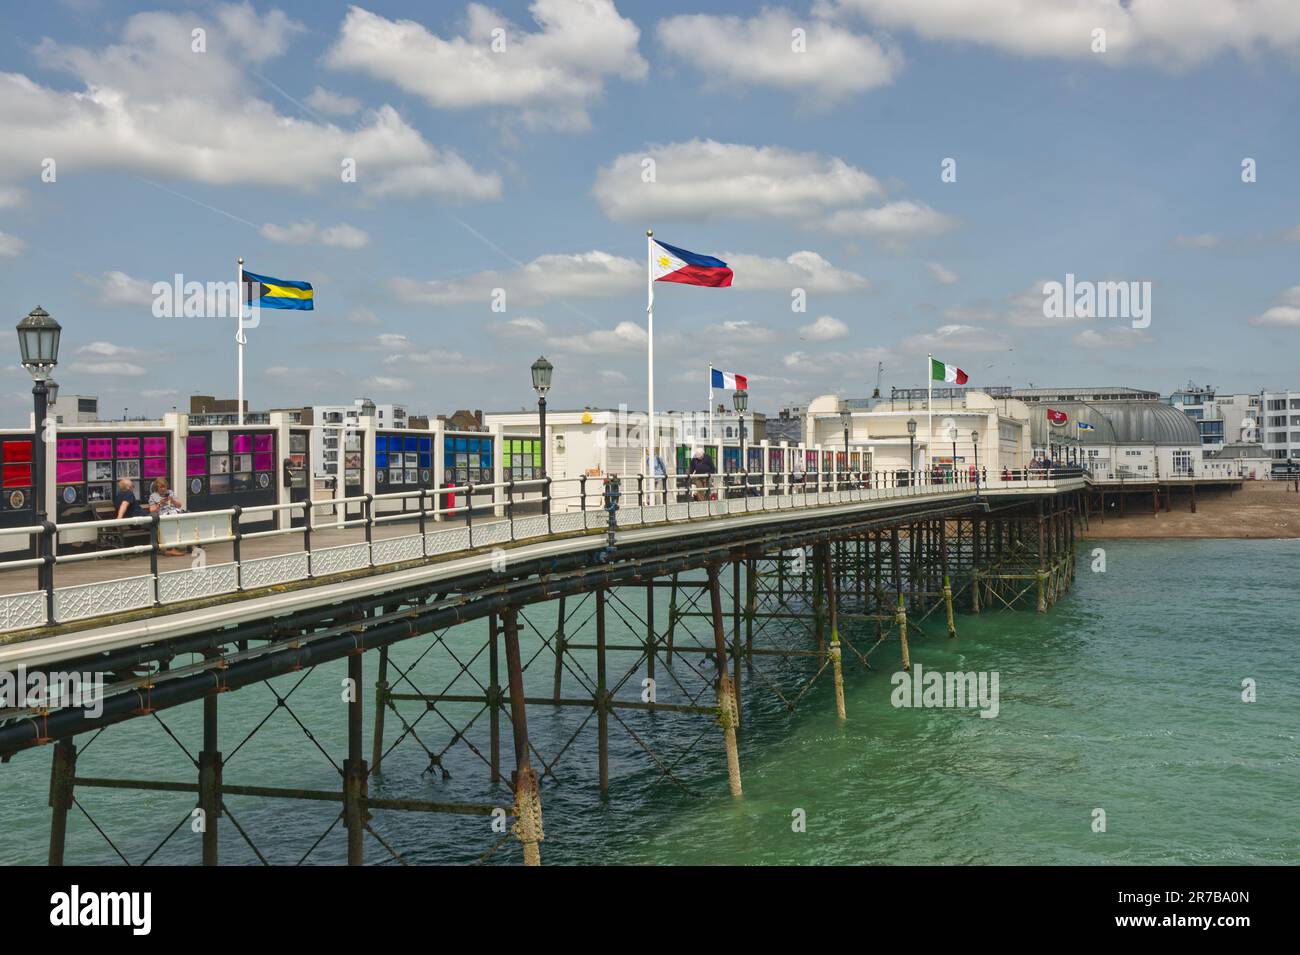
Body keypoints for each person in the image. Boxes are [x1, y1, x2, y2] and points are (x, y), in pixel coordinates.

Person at [148, 477, 187, 557]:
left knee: (188, 518)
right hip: (163, 515)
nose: (163, 489)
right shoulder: (153, 496)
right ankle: (170, 549)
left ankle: (191, 544)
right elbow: (152, 510)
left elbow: (179, 505)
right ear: (157, 487)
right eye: (161, 487)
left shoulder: (170, 493)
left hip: (174, 512)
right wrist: (160, 504)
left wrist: (172, 500)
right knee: (171, 521)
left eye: (164, 487)